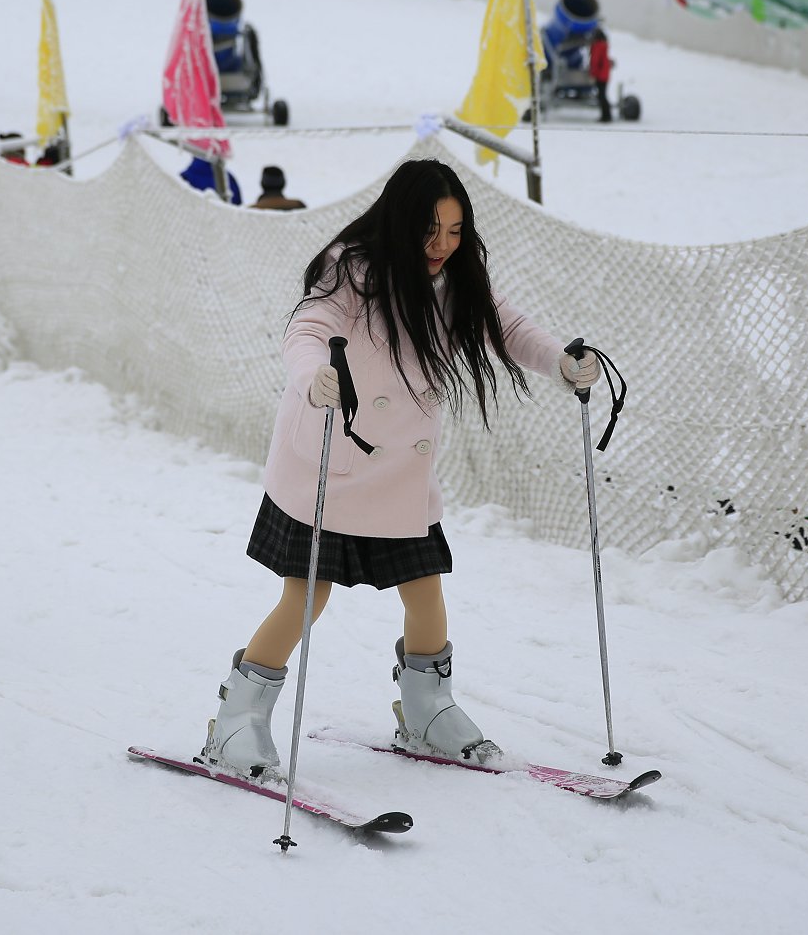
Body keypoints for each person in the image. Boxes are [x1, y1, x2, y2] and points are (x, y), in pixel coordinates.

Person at [199, 158, 602, 778]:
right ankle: (236, 722)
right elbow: (308, 328)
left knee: (425, 592)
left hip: (399, 480)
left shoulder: (455, 279)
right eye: (429, 231)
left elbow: (507, 327)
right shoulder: (352, 271)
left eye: (455, 230)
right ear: (399, 224)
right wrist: (316, 377)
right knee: (306, 596)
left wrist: (561, 362)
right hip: (331, 465)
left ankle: (427, 710)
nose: (442, 246)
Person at [589, 28, 614, 124]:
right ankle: (606, 115)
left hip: (600, 75)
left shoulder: (598, 46)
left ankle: (606, 116)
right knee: (603, 95)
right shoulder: (604, 45)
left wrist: (593, 74)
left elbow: (595, 61)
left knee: (602, 96)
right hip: (605, 74)